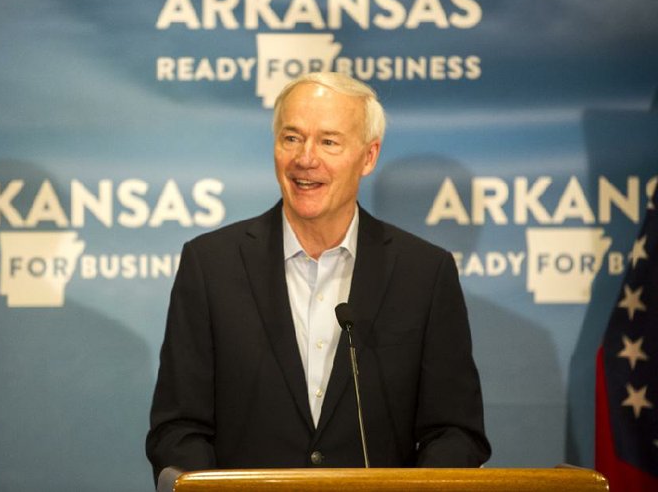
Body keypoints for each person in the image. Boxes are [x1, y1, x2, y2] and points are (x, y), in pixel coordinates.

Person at [145, 72, 490, 481]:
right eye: (291, 138)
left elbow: (454, 432)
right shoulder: (211, 264)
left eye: (328, 141)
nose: (305, 159)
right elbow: (177, 429)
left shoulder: (425, 273)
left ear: (368, 156)